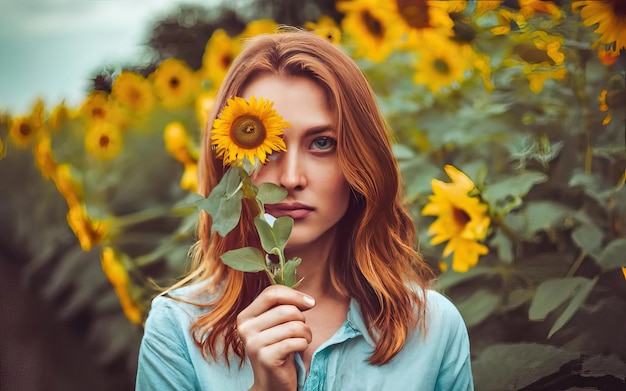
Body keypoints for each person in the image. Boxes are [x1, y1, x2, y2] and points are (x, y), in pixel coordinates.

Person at [136, 28, 474, 391]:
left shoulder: (432, 327)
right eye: (266, 145)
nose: (291, 177)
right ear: (228, 163)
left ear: (361, 158)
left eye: (322, 143)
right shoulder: (179, 328)